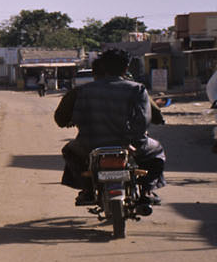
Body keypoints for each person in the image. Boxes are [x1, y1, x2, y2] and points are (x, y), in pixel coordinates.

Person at [54, 50, 162, 206]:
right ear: (126, 68)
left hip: (90, 145)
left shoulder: (83, 90)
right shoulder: (137, 89)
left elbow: (78, 117)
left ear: (102, 68)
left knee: (69, 151)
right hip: (129, 145)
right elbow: (143, 120)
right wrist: (133, 142)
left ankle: (87, 189)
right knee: (157, 152)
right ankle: (146, 190)